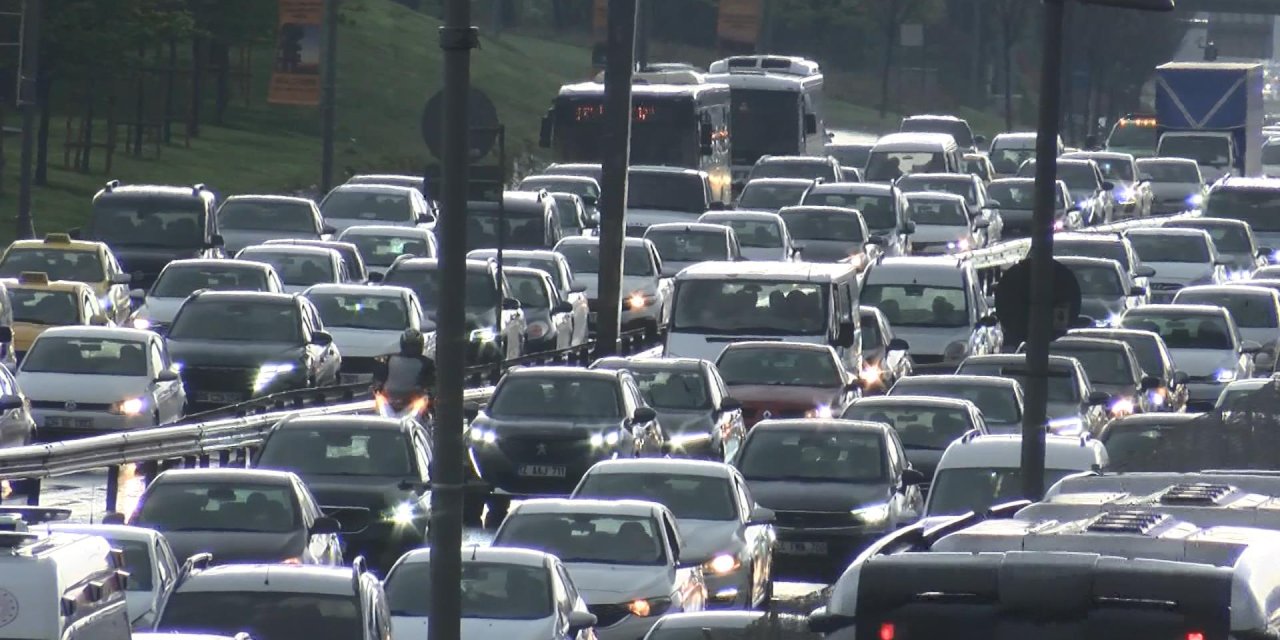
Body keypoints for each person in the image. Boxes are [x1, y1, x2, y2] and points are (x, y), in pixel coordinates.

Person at [372, 328, 436, 408]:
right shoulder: (389, 359)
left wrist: (430, 393)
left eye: (414, 346)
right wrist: (377, 387)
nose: (411, 349)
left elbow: (432, 382)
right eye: (410, 346)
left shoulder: (427, 363)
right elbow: (379, 377)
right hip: (389, 399)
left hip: (415, 400)